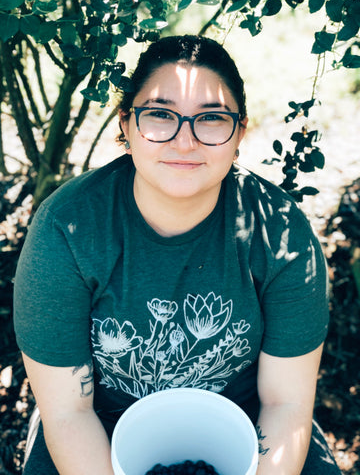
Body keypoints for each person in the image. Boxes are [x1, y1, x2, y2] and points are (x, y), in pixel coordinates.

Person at [14, 35, 342, 475]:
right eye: (161, 115)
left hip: (247, 429)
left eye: (210, 119)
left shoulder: (281, 232)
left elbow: (285, 404)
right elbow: (68, 412)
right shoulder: (67, 229)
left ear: (239, 131)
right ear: (126, 125)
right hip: (97, 428)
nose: (184, 142)